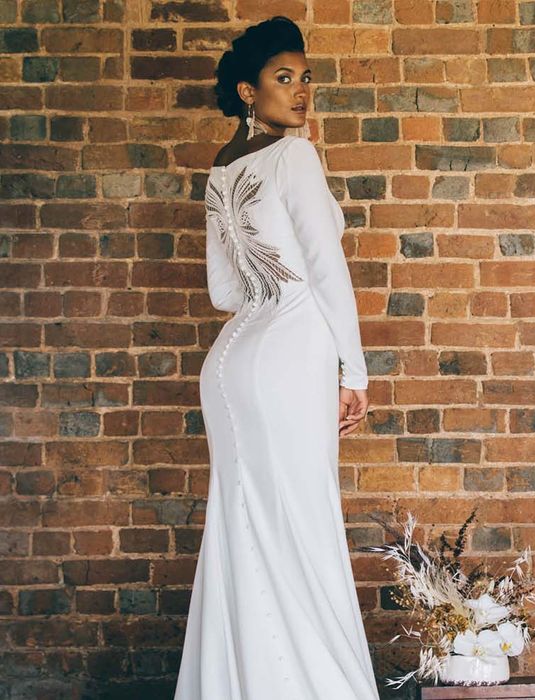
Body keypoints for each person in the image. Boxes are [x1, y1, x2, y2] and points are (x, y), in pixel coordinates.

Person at [173, 16, 379, 700]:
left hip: (231, 361)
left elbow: (223, 290)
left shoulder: (222, 170)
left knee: (245, 533)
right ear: (246, 90)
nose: (300, 91)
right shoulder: (293, 158)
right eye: (282, 79)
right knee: (303, 526)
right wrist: (356, 372)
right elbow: (325, 269)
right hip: (292, 354)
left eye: (305, 78)